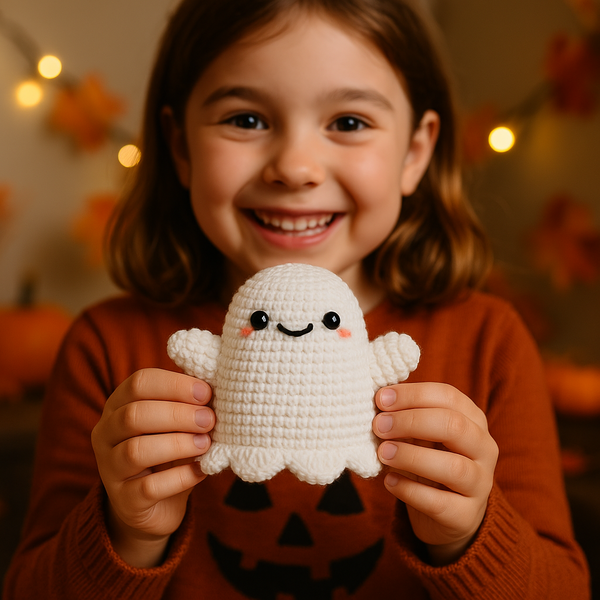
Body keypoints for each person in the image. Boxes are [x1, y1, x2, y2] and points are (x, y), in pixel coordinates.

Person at [3, 0, 590, 598]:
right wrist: (126, 532)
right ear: (180, 147)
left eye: (350, 122)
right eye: (246, 119)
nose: (295, 167)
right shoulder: (105, 348)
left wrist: (467, 536)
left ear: (415, 153)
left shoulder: (490, 343)